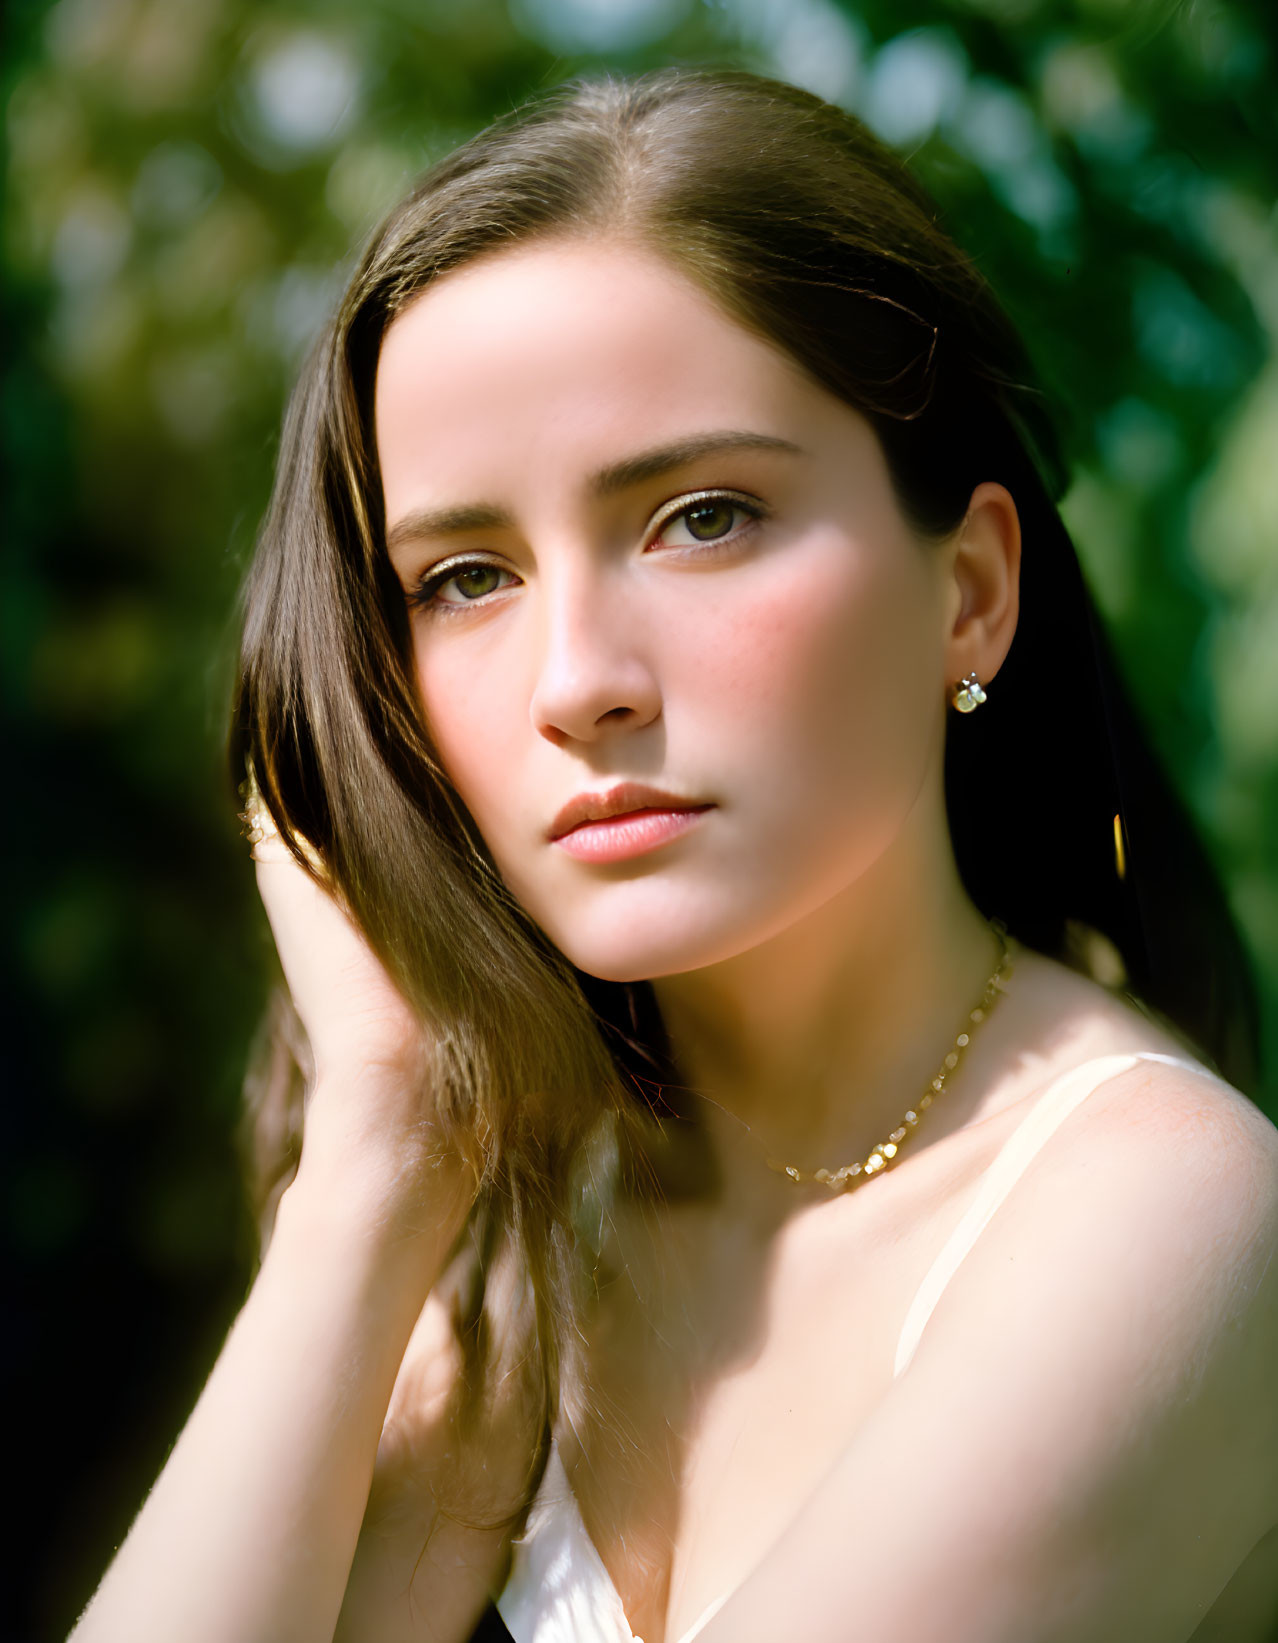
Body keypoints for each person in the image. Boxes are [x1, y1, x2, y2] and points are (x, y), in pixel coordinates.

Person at [68, 66, 1278, 1643]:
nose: (577, 679)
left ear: (972, 591)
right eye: (464, 576)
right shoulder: (526, 1231)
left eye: (702, 517)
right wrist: (372, 1166)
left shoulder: (1156, 1215)